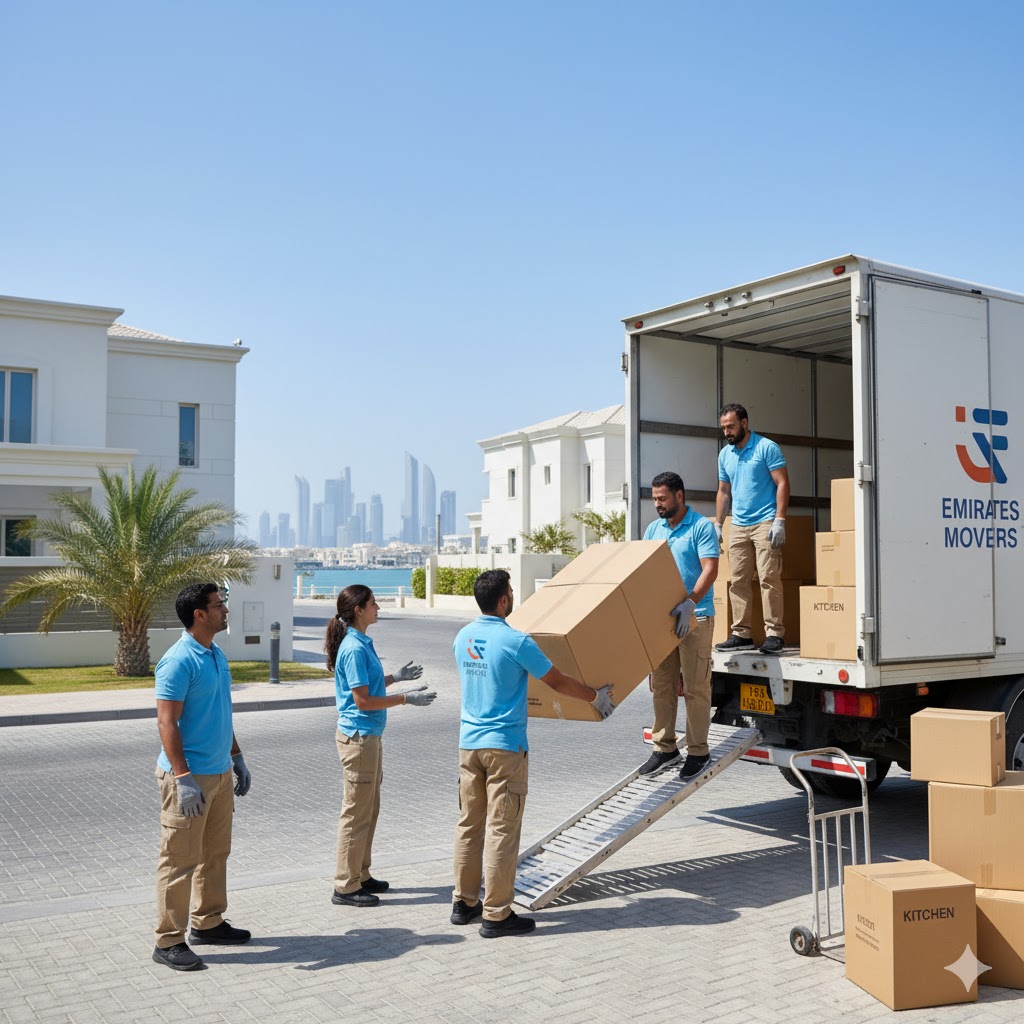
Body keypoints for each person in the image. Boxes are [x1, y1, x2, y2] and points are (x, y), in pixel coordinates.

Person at [451, 569, 613, 937]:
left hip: (468, 745)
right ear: (503, 600)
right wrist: (593, 696)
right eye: (511, 591)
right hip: (504, 748)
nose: (513, 596)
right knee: (502, 830)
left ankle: (464, 902)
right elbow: (556, 681)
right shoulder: (515, 641)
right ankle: (496, 914)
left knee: (469, 825)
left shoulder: (463, 637)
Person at [153, 582, 253, 972]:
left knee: (215, 854)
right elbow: (166, 722)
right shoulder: (178, 660)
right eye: (218, 605)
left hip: (219, 773)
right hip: (189, 778)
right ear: (199, 614)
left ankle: (208, 922)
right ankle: (168, 940)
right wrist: (182, 778)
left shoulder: (215, 654)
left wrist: (237, 757)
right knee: (179, 860)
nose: (225, 610)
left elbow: (220, 712)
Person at [325, 584, 436, 908]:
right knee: (356, 813)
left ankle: (361, 873)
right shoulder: (354, 648)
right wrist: (405, 699)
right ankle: (345, 885)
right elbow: (362, 700)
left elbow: (368, 685)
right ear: (358, 610)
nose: (378, 608)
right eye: (373, 604)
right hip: (359, 738)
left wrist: (395, 677)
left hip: (369, 737)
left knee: (369, 809)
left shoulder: (361, 642)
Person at [640, 472, 720, 780]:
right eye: (654, 499)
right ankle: (665, 748)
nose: (657, 504)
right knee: (662, 685)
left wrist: (690, 602)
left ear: (679, 496)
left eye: (662, 499)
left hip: (695, 615)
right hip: (664, 618)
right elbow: (645, 570)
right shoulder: (653, 529)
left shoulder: (701, 527)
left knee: (696, 687)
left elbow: (710, 569)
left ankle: (698, 751)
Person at [714, 403, 791, 655]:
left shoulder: (766, 447)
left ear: (744, 423)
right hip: (738, 524)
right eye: (723, 427)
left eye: (730, 426)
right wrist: (718, 524)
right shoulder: (725, 455)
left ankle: (774, 634)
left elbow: (782, 483)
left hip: (765, 521)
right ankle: (741, 634)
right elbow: (723, 491)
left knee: (768, 578)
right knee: (738, 580)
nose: (726, 432)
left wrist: (780, 520)